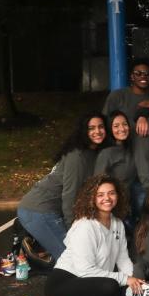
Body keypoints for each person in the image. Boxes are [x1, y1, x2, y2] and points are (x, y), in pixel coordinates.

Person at [44, 174, 145, 296]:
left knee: (118, 285)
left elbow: (122, 259)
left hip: (86, 283)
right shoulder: (85, 226)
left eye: (111, 193)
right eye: (100, 194)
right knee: (109, 287)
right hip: (62, 284)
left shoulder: (117, 223)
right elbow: (85, 271)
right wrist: (124, 279)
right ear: (91, 198)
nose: (107, 198)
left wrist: (135, 280)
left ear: (118, 195)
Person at [18, 112, 107, 263]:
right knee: (73, 260)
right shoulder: (78, 156)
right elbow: (70, 195)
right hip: (40, 210)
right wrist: (72, 230)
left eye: (101, 127)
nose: (97, 131)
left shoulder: (93, 152)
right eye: (91, 128)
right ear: (83, 131)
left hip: (50, 210)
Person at [102, 57, 149, 137]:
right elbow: (104, 122)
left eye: (147, 73)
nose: (143, 76)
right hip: (124, 146)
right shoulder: (117, 96)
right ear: (132, 76)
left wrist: (143, 115)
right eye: (138, 73)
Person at [94, 110, 135, 197]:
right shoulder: (106, 153)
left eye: (125, 124)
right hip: (112, 202)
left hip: (128, 201)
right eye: (116, 126)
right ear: (110, 128)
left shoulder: (131, 147)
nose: (122, 129)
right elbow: (98, 183)